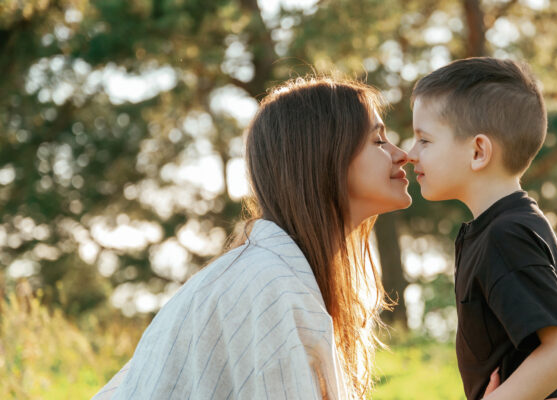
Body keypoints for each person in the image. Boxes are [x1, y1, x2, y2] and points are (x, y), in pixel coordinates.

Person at [92, 77, 412, 400]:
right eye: (378, 141)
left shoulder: (277, 275)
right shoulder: (266, 284)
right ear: (324, 155)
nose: (402, 154)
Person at [407, 57, 557, 400]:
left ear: (478, 151)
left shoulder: (506, 235)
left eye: (424, 140)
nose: (410, 153)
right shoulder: (497, 230)